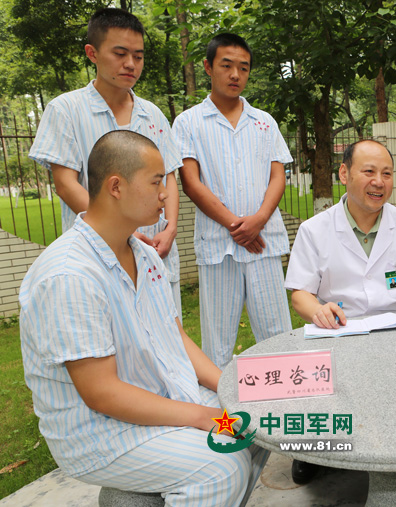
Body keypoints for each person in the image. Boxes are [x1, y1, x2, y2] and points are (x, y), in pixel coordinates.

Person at [19, 131, 269, 506]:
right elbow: (102, 393)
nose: (166, 194)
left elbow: (174, 335)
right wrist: (201, 416)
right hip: (101, 431)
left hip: (161, 397)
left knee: (257, 425)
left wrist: (232, 391)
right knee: (222, 465)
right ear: (116, 187)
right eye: (156, 182)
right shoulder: (69, 275)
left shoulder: (144, 254)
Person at [284, 138, 396, 483]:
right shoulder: (314, 230)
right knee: (326, 390)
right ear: (344, 174)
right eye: (370, 172)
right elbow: (300, 294)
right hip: (342, 330)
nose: (379, 182)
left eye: (387, 174)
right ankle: (314, 448)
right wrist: (317, 310)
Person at [28, 7, 183, 317]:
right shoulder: (66, 110)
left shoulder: (152, 115)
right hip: (97, 252)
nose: (131, 64)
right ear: (92, 53)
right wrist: (121, 232)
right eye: (120, 53)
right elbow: (65, 183)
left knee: (166, 335)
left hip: (156, 249)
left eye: (138, 56)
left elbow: (169, 178)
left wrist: (171, 229)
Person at [174, 33, 292, 369]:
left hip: (262, 242)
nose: (235, 74)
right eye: (226, 65)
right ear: (208, 67)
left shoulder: (264, 122)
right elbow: (191, 182)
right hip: (218, 246)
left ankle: (283, 396)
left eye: (244, 67)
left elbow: (278, 176)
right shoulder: (188, 123)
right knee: (218, 343)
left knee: (278, 336)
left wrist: (258, 220)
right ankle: (219, 400)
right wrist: (235, 225)